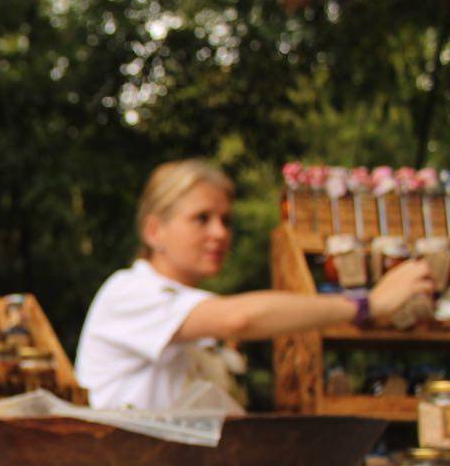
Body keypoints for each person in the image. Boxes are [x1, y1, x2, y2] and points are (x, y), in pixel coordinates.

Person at [75, 159, 433, 410]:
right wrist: (367, 304)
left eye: (225, 220)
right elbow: (239, 319)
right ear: (154, 231)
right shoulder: (129, 292)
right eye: (201, 218)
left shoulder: (188, 305)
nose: (220, 233)